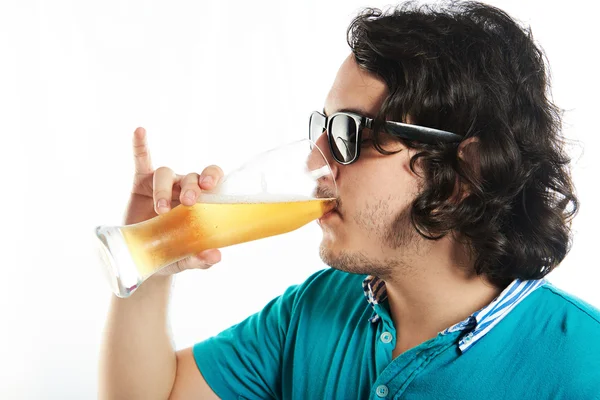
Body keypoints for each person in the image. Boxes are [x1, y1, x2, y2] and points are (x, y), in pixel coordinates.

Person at [99, 2, 600, 399]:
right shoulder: (316, 309)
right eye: (324, 128)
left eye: (351, 133)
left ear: (463, 172)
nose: (318, 164)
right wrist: (154, 255)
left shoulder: (584, 366)